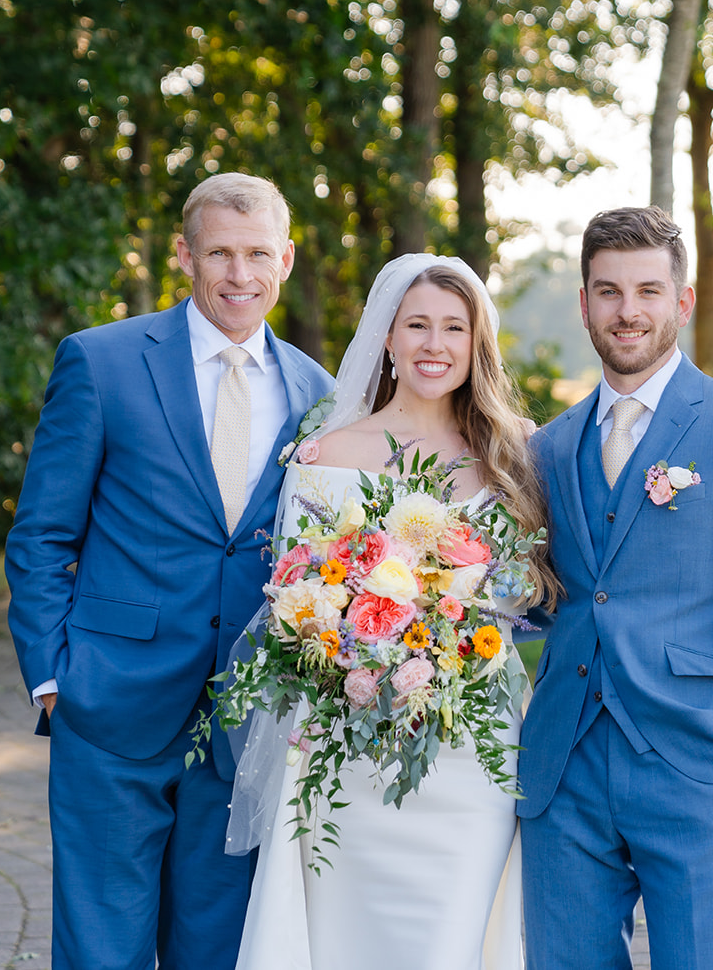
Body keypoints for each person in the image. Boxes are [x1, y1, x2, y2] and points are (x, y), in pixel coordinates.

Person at [4, 173, 334, 969]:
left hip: (246, 719)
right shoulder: (101, 361)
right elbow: (42, 533)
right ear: (185, 254)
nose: (239, 274)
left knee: (215, 949)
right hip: (110, 705)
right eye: (219, 252)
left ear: (285, 260)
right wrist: (53, 676)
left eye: (258, 253)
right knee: (100, 949)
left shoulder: (319, 395)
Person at [232, 253, 556, 970]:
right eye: (417, 325)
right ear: (386, 336)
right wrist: (364, 641)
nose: (434, 345)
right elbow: (298, 601)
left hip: (474, 743)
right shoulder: (324, 456)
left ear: (477, 344)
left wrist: (446, 615)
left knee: (455, 935)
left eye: (453, 328)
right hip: (347, 742)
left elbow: (531, 589)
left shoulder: (515, 456)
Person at [518, 207, 713, 970]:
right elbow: (545, 595)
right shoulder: (548, 446)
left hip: (695, 757)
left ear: (681, 303)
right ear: (585, 302)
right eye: (609, 291)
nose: (629, 311)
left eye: (649, 290)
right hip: (565, 760)